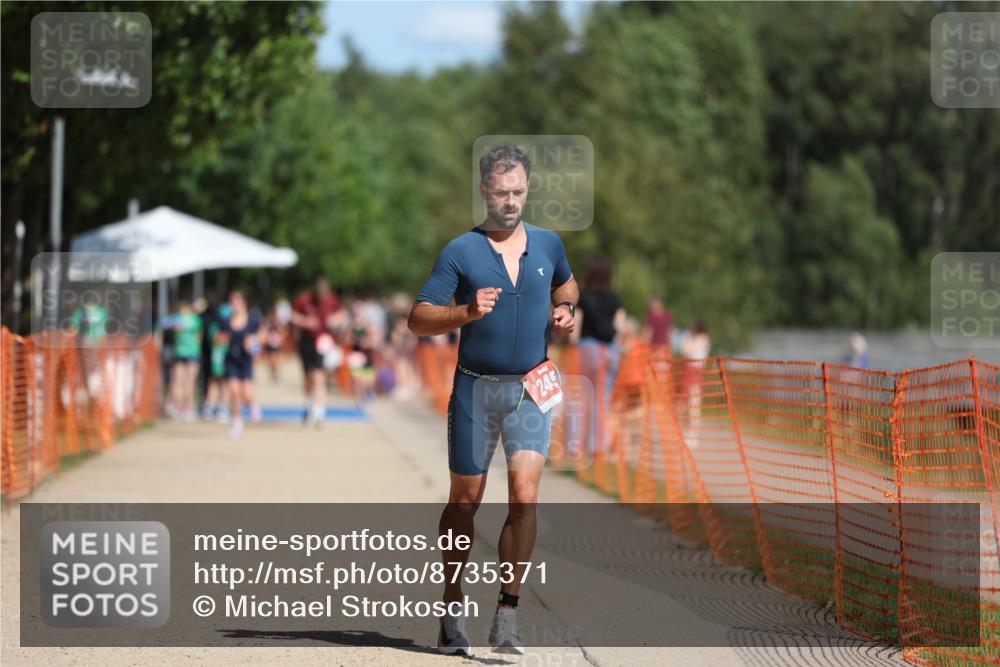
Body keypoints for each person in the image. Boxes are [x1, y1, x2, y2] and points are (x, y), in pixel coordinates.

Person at [408, 143, 578, 656]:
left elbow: (567, 290)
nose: (511, 202)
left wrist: (568, 312)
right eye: (501, 192)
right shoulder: (461, 251)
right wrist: (464, 313)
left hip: (531, 388)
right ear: (484, 190)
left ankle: (507, 613)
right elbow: (417, 319)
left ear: (528, 189)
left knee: (524, 496)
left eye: (519, 192)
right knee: (466, 501)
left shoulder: (548, 244)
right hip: (475, 388)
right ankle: (452, 601)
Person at [573, 256, 626, 455]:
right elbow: (620, 328)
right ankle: (599, 446)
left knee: (582, 399)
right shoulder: (614, 299)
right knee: (602, 400)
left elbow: (575, 331)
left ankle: (577, 444)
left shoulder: (583, 297)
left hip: (588, 350)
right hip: (610, 351)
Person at [291, 278, 343, 428]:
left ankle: (320, 413)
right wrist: (305, 322)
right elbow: (293, 316)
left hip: (322, 343)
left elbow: (341, 315)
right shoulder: (304, 300)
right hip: (306, 342)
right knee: (308, 378)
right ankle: (308, 404)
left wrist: (334, 320)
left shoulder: (332, 301)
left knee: (319, 377)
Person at [217, 290, 262, 439]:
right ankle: (237, 422)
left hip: (246, 360)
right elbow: (218, 337)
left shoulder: (252, 320)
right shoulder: (226, 321)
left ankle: (253, 405)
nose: (234, 305)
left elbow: (263, 336)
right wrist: (221, 339)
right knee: (234, 391)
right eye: (232, 302)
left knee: (247, 393)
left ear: (244, 303)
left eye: (237, 302)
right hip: (231, 359)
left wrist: (254, 341)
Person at [165, 300, 202, 421]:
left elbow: (163, 325)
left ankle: (177, 407)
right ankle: (187, 408)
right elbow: (199, 337)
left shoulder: (176, 318)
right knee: (189, 382)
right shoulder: (195, 319)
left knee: (178, 381)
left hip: (180, 353)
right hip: (192, 353)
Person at [679, 319, 711, 449]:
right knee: (686, 403)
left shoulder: (703, 338)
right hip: (688, 371)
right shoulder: (691, 337)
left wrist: (688, 341)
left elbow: (688, 350)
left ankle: (693, 435)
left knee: (694, 404)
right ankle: (688, 431)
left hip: (696, 371)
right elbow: (684, 350)